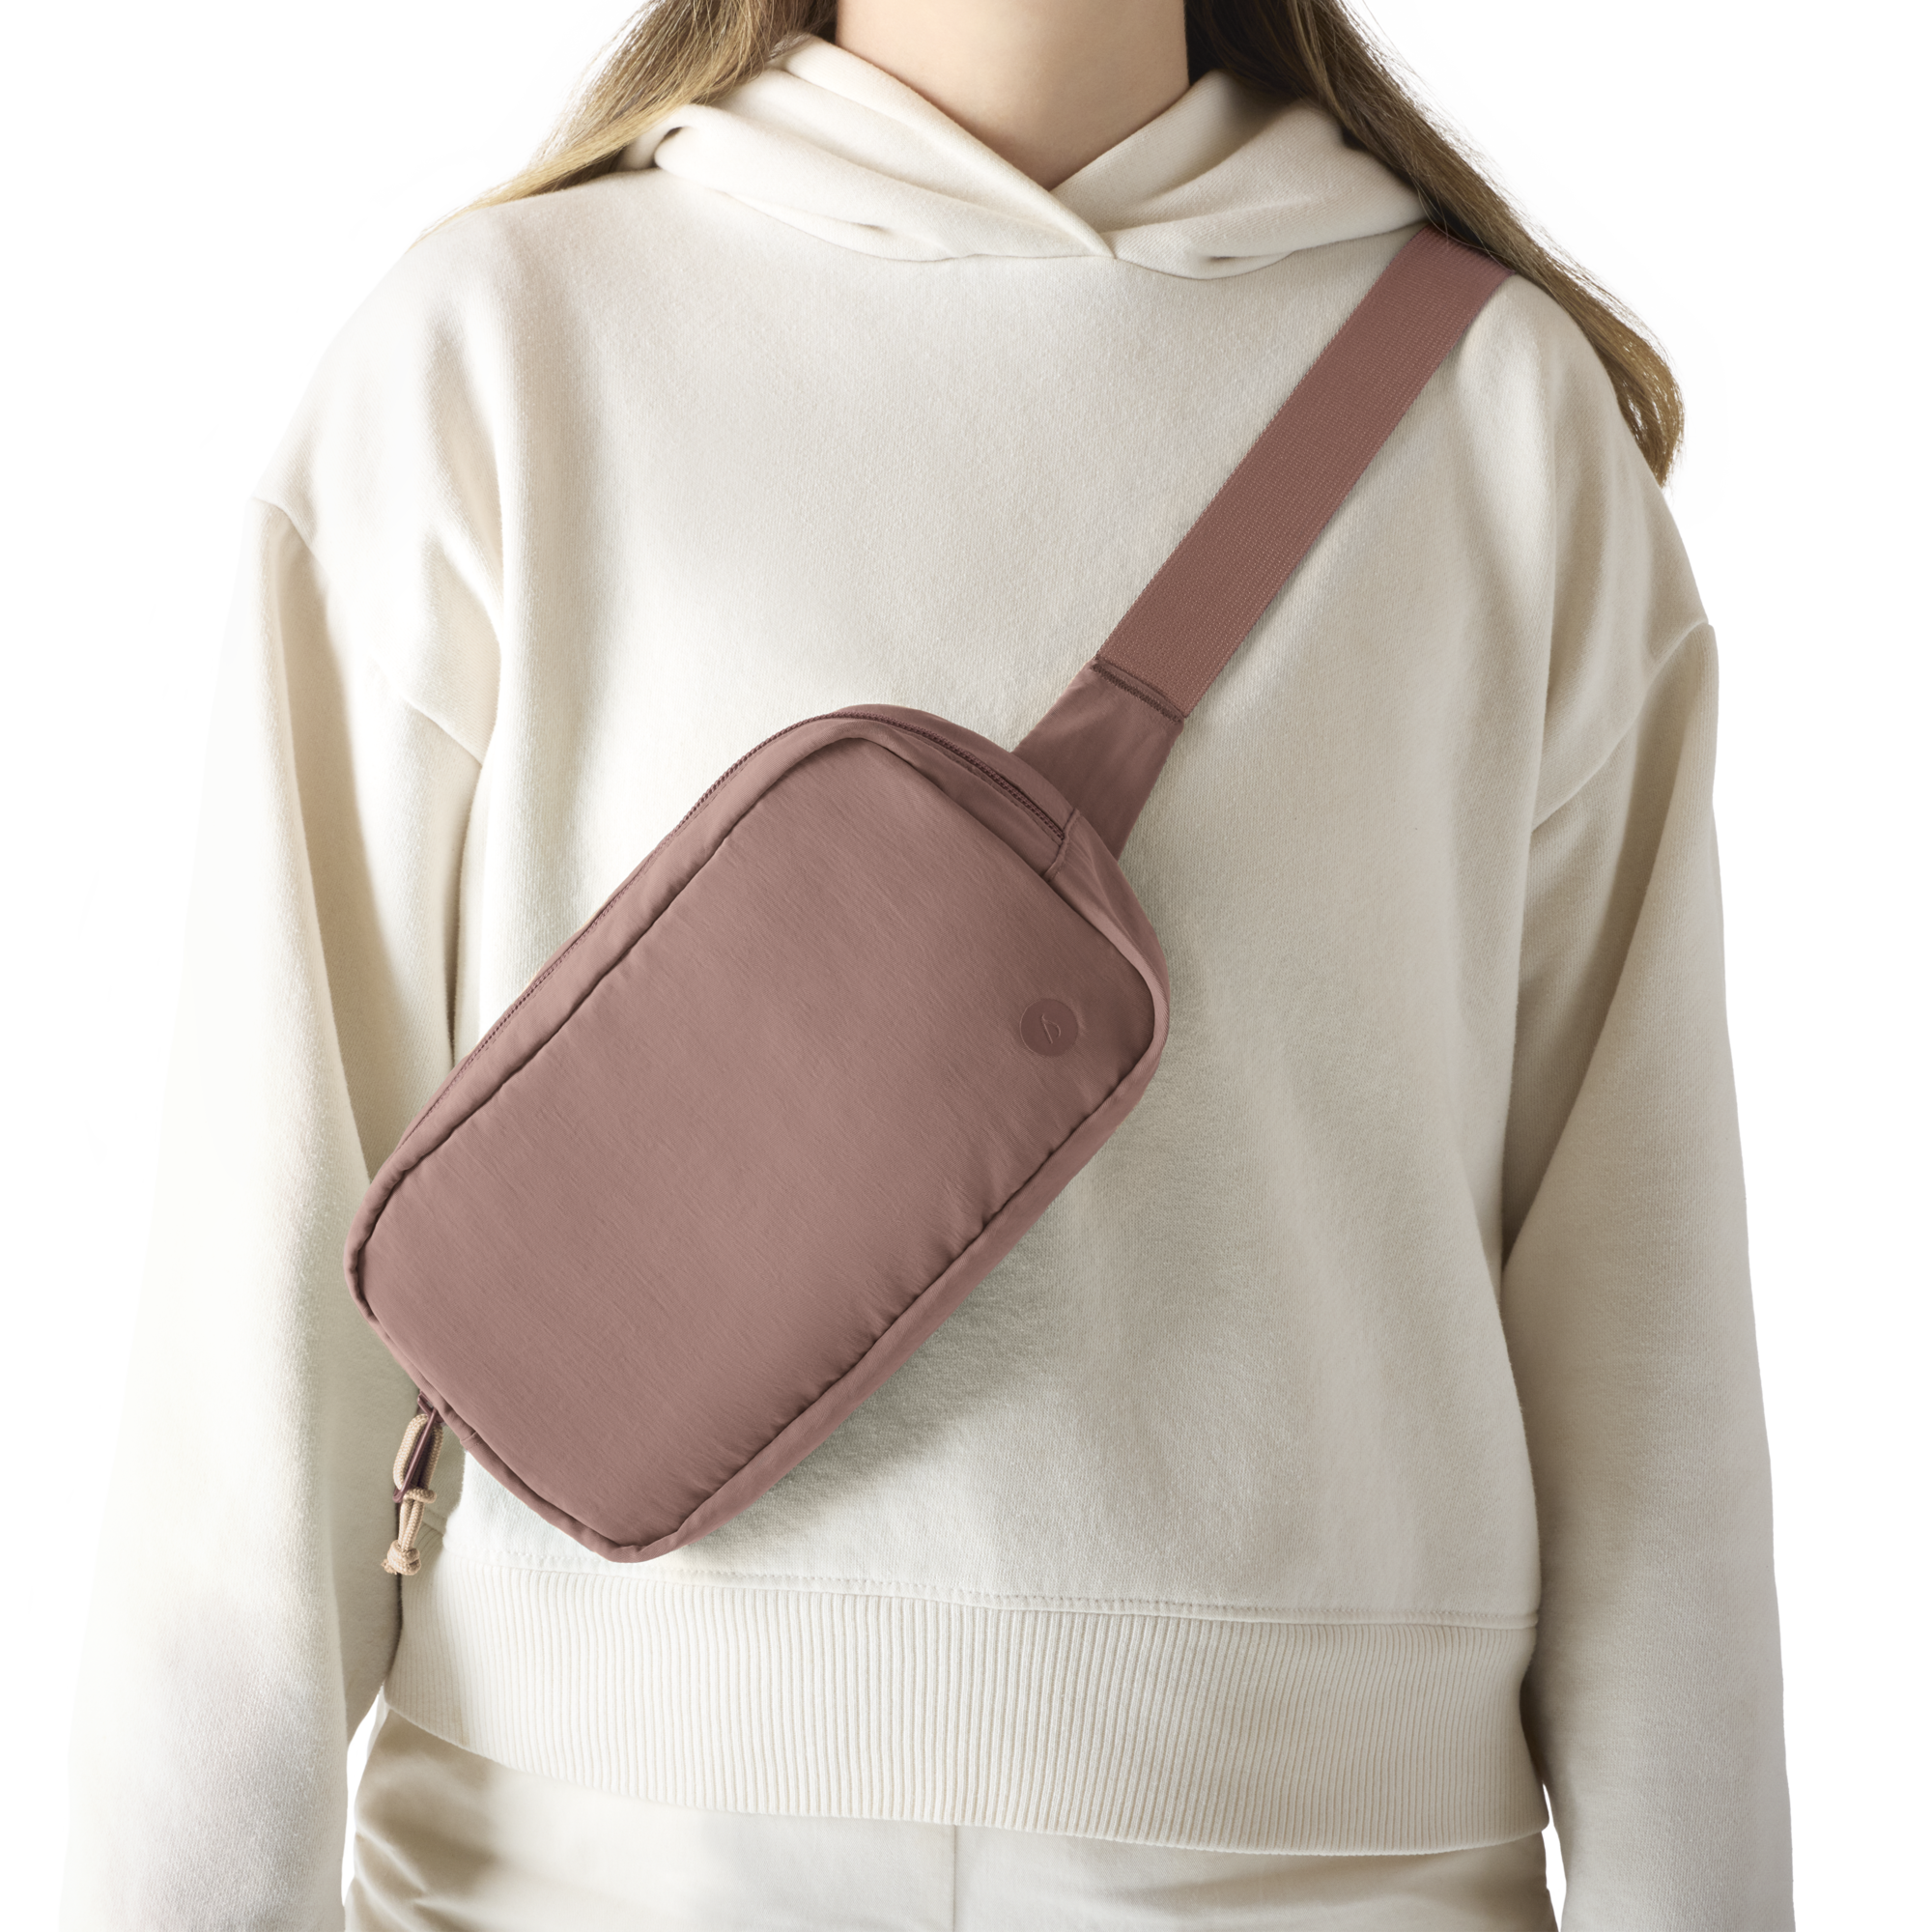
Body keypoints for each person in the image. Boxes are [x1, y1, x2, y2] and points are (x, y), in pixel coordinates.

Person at [58, 2, 1794, 1926]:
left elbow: (1643, 1329)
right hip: (587, 1863)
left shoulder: (1504, 414)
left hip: (1329, 1878)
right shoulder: (496, 349)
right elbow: (261, 1295)